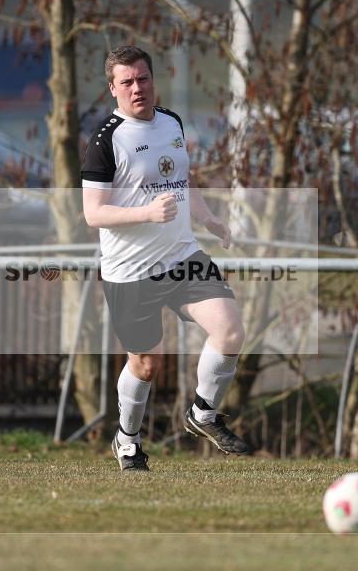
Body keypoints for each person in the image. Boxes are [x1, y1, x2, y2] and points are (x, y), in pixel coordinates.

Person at [81, 45, 250, 472]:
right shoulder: (105, 140)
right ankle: (128, 440)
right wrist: (146, 212)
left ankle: (203, 415)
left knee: (230, 331)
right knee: (146, 363)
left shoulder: (171, 121)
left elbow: (181, 179)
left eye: (143, 78)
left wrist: (209, 217)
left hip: (181, 257)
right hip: (130, 270)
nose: (137, 88)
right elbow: (93, 213)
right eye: (127, 82)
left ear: (153, 81)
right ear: (113, 89)